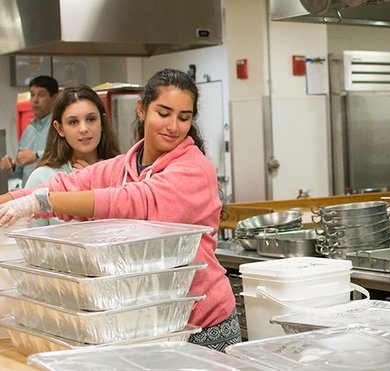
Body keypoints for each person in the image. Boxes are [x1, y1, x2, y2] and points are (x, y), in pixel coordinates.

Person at [0, 69, 240, 351]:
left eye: (184, 117)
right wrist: (11, 200)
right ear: (142, 109)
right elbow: (68, 185)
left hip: (202, 322)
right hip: (146, 323)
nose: (173, 126)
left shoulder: (194, 169)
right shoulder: (122, 166)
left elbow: (133, 201)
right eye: (163, 113)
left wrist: (42, 202)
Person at [25, 85, 121, 227]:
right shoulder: (42, 178)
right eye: (73, 122)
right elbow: (31, 242)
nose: (84, 129)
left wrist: (96, 184)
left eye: (91, 119)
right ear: (60, 128)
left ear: (102, 122)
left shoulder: (122, 173)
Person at [0, 75, 59, 187]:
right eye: (32, 95)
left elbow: (67, 157)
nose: (35, 100)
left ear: (54, 98)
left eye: (41, 95)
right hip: (28, 196)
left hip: (52, 196)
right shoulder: (28, 130)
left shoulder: (59, 126)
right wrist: (12, 166)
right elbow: (21, 172)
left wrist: (36, 156)